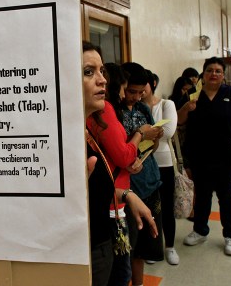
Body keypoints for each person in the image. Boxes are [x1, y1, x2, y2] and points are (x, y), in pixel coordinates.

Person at [83, 43, 157, 286]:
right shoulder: (73, 137)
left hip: (101, 235)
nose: (102, 80)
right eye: (88, 72)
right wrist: (139, 135)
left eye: (102, 71)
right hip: (89, 244)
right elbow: (124, 157)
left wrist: (127, 195)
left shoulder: (88, 130)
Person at [178, 57, 231, 257]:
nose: (214, 74)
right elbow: (178, 121)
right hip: (199, 155)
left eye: (218, 71)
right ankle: (200, 231)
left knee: (227, 197)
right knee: (202, 196)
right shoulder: (192, 94)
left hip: (225, 156)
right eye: (209, 71)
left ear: (223, 75)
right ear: (203, 75)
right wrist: (186, 108)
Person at [120, 64, 163, 286]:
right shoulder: (113, 111)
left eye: (141, 92)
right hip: (127, 189)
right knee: (128, 245)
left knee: (144, 246)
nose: (136, 97)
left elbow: (152, 147)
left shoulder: (143, 109)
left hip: (148, 180)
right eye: (131, 91)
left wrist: (155, 137)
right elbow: (117, 154)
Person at [143, 73, 180, 265]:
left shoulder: (166, 105)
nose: (141, 90)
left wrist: (141, 134)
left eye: (144, 85)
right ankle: (153, 247)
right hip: (142, 163)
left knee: (166, 206)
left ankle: (170, 247)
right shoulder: (136, 107)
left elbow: (167, 132)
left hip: (163, 162)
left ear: (153, 84)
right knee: (149, 207)